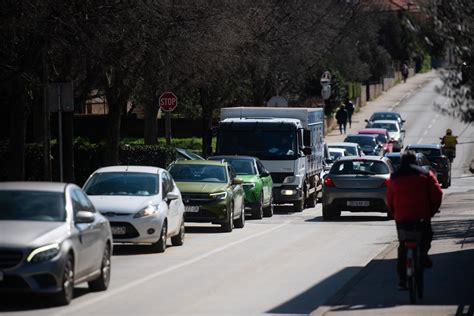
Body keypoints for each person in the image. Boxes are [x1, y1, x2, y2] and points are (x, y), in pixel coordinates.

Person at [386, 150, 442, 290]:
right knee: (426, 236)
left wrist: (394, 213)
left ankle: (402, 280)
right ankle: (423, 254)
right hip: (422, 216)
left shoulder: (394, 177)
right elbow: (437, 193)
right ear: (415, 161)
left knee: (403, 246)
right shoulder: (425, 175)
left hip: (402, 218)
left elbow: (390, 199)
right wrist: (432, 210)